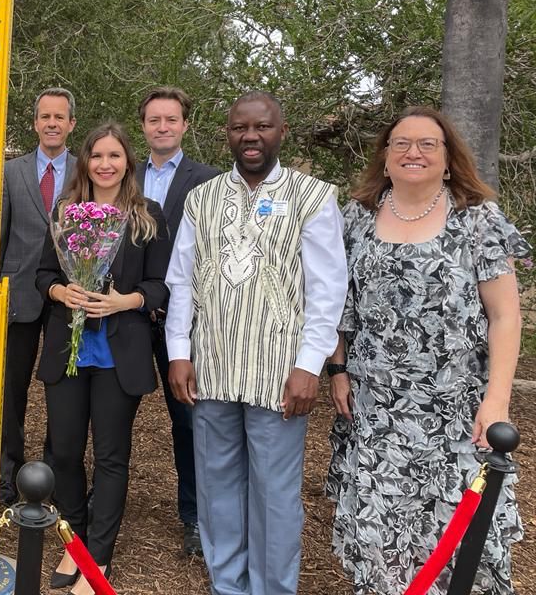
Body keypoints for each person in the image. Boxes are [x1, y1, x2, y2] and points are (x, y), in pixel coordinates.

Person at [325, 106, 527, 595]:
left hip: (455, 411)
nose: (413, 152)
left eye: (427, 144)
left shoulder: (476, 220)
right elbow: (337, 304)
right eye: (401, 144)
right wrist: (338, 369)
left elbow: (505, 316)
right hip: (377, 412)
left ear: (449, 158)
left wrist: (496, 400)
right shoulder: (356, 217)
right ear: (386, 157)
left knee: (459, 537)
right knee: (380, 537)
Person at [165, 92, 347, 595]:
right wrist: (179, 351)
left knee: (274, 494)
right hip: (212, 367)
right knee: (217, 487)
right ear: (227, 132)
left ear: (280, 132)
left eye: (262, 127)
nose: (250, 136)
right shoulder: (203, 198)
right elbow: (182, 281)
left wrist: (310, 365)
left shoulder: (313, 197)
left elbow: (328, 292)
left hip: (280, 374)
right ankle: (227, 584)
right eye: (240, 127)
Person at [36, 122, 170, 595]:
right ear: (85, 162)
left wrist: (124, 301)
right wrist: (60, 290)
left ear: (126, 163)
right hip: (69, 349)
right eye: (97, 156)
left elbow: (161, 286)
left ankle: (97, 558)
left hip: (119, 352)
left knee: (111, 456)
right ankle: (74, 543)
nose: (105, 164)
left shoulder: (146, 216)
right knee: (66, 452)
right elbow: (42, 275)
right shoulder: (65, 211)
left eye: (115, 156)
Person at [134, 87, 219, 556]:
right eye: (153, 120)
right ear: (142, 126)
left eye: (170, 119)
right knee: (109, 416)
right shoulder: (123, 177)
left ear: (185, 125)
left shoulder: (209, 182)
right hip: (127, 315)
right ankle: (100, 508)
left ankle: (195, 515)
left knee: (188, 421)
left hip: (182, 321)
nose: (162, 127)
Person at [0, 87, 77, 504]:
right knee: (10, 392)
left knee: (62, 391)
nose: (51, 123)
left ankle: (54, 475)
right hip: (19, 298)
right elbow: (0, 236)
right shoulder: (11, 172)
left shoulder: (87, 171)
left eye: (59, 117)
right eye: (44, 116)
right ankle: (8, 475)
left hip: (69, 297)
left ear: (70, 124)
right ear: (34, 123)